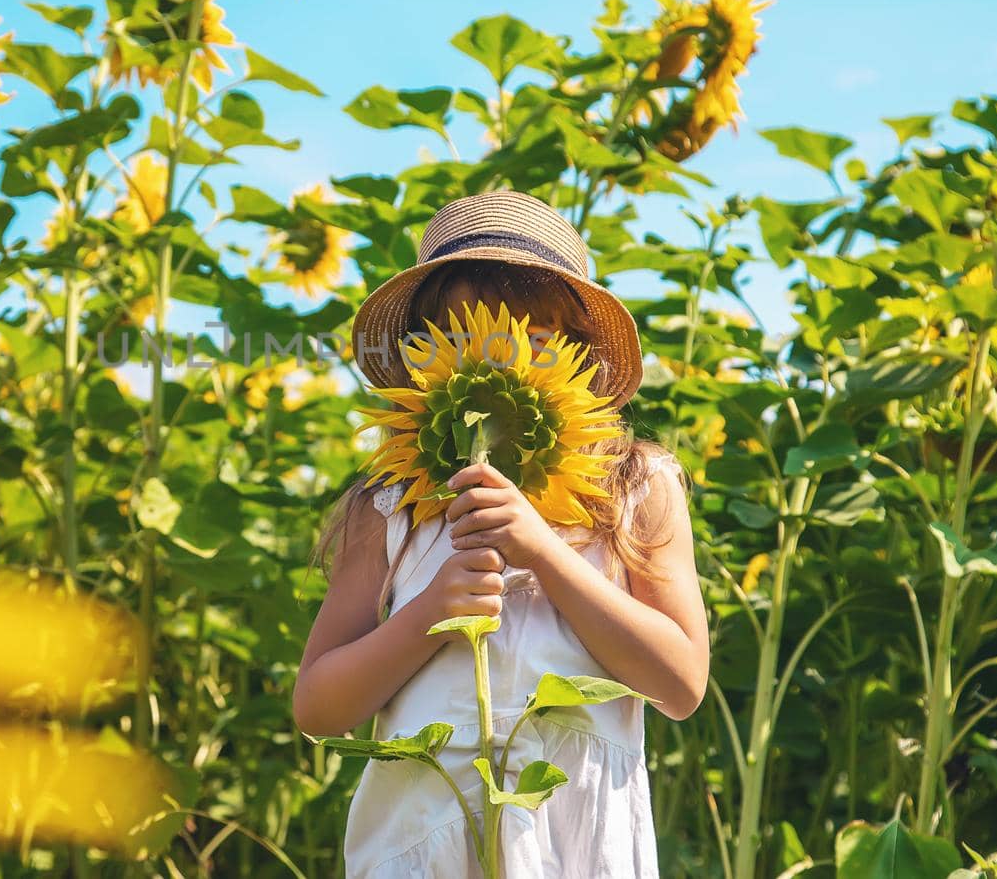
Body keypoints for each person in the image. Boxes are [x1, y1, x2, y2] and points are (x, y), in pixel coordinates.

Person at [293, 190, 709, 878]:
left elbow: (681, 681)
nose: (502, 361)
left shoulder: (633, 487)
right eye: (466, 338)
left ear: (578, 355)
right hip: (422, 843)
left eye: (534, 337)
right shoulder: (393, 504)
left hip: (572, 847)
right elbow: (318, 702)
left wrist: (544, 552)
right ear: (422, 356)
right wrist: (433, 613)